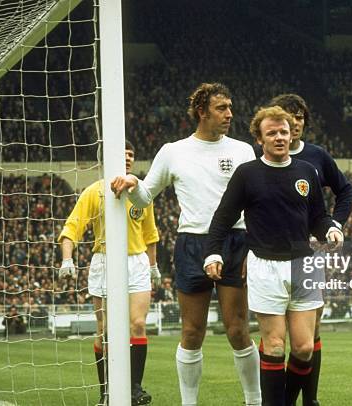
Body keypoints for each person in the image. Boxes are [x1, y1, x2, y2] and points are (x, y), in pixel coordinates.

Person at [111, 83, 261, 406]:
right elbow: (146, 194)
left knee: (238, 330)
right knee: (192, 332)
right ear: (202, 111)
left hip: (235, 240)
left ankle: (254, 401)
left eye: (230, 107)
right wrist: (134, 182)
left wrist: (253, 247)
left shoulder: (242, 150)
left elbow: (255, 202)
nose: (230, 114)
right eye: (222, 108)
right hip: (192, 243)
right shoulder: (173, 151)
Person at [204, 106, 342, 406]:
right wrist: (213, 252)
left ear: (292, 133)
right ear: (259, 139)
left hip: (303, 265)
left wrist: (329, 229)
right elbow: (222, 218)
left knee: (304, 348)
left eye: (284, 131)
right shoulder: (247, 174)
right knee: (276, 345)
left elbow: (317, 216)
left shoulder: (306, 171)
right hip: (265, 266)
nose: (280, 137)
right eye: (272, 133)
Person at [261, 94, 352, 405]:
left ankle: (309, 399)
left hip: (309, 253)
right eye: (290, 116)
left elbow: (345, 190)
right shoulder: (259, 157)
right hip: (269, 255)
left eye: (300, 117)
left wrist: (335, 225)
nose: (296, 122)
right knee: (275, 336)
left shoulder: (317, 156)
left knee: (309, 332)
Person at [58, 140, 160, 405]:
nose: (127, 158)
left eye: (131, 154)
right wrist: (67, 260)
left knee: (137, 324)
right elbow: (71, 228)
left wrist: (153, 266)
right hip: (104, 261)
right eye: (122, 153)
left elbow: (150, 235)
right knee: (105, 329)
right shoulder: (95, 192)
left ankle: (134, 388)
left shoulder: (141, 194)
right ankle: (105, 391)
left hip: (136, 262)